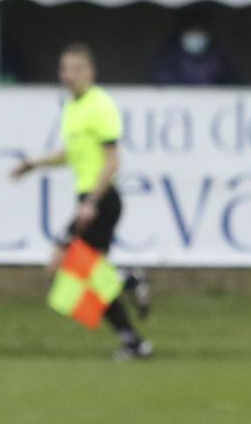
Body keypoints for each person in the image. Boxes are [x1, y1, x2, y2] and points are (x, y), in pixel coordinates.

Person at [10, 43, 153, 361]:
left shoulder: (100, 105)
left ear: (91, 72)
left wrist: (90, 201)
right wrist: (33, 164)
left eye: (76, 69)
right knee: (85, 279)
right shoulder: (72, 108)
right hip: (90, 200)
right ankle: (133, 342)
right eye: (64, 68)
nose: (69, 75)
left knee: (63, 266)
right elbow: (69, 155)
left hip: (101, 200)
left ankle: (129, 278)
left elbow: (113, 161)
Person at [151, 8, 239, 86]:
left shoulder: (218, 55)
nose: (195, 35)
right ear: (181, 32)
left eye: (199, 30)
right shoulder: (170, 55)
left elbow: (234, 83)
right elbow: (160, 82)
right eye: (191, 31)